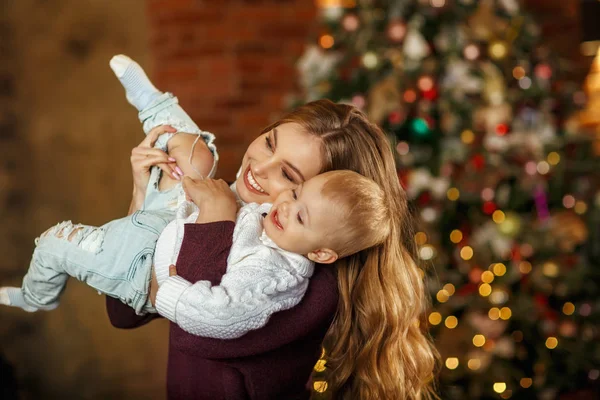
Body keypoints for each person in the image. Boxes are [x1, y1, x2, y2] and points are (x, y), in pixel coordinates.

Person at [108, 100, 440, 399]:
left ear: (322, 196)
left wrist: (213, 221)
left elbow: (192, 337)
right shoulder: (237, 218)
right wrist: (144, 199)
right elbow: (122, 313)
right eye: (269, 144)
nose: (259, 168)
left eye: (287, 174)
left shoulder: (308, 285)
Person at [0, 55, 217, 314]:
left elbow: (121, 315)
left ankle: (36, 297)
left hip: (146, 266)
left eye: (282, 172)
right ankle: (154, 106)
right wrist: (140, 187)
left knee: (52, 243)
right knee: (196, 156)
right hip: (167, 217)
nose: (260, 168)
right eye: (268, 143)